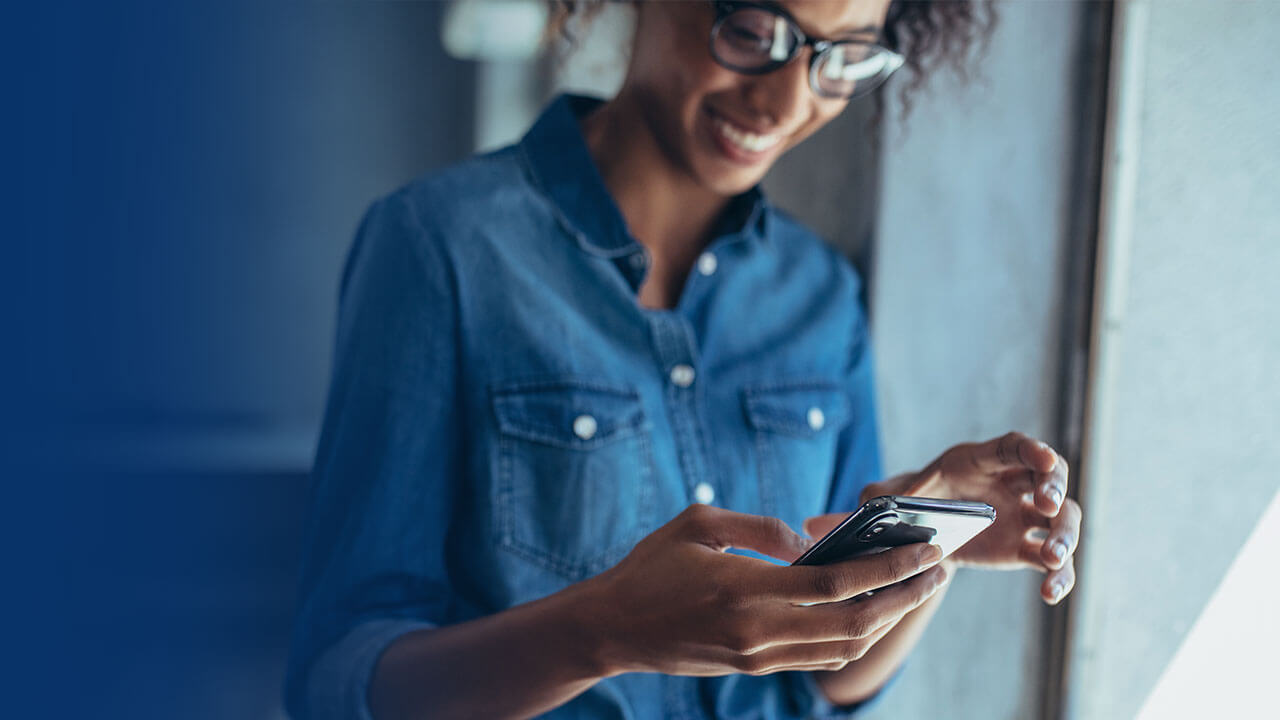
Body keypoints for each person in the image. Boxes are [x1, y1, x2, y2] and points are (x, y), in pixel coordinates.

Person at [285, 1, 1083, 718]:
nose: (786, 101)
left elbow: (828, 678)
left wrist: (923, 542)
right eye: (750, 31)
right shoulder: (439, 247)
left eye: (840, 58)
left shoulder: (819, 294)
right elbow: (339, 679)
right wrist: (601, 632)